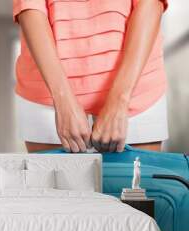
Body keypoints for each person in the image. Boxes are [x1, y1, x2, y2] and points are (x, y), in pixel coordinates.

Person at [13, 0, 169, 153]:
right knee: (53, 179)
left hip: (136, 85)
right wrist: (62, 98)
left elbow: (150, 3)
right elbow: (30, 7)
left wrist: (120, 99)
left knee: (134, 179)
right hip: (48, 88)